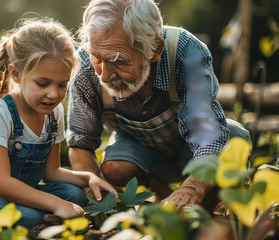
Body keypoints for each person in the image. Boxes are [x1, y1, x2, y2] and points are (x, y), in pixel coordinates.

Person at [67, 0, 251, 210]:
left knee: (232, 138)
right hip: (143, 153)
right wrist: (99, 202)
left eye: (118, 61)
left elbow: (208, 138)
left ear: (155, 49)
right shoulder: (84, 67)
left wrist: (191, 189)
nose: (105, 76)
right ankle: (165, 197)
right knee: (114, 167)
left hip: (192, 151)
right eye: (97, 58)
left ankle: (203, 210)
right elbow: (81, 142)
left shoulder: (185, 52)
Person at [0, 19, 116, 229]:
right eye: (42, 83)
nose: (53, 94)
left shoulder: (53, 112)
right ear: (16, 74)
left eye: (62, 85)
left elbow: (52, 172)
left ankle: (43, 217)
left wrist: (88, 178)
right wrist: (56, 204)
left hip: (22, 192)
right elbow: (0, 184)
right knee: (28, 218)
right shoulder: (0, 113)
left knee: (74, 194)